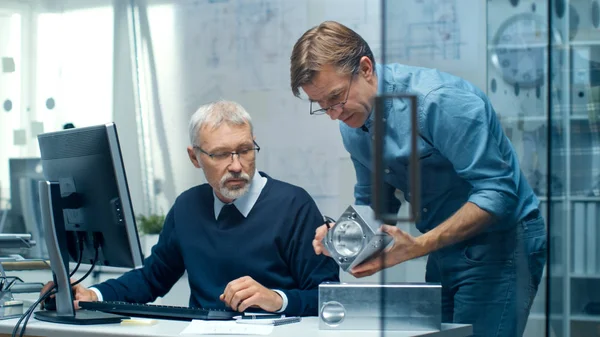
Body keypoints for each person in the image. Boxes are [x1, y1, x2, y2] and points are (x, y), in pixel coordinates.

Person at [290, 21, 546, 336]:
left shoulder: (441, 102)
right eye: (322, 106)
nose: (333, 114)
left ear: (366, 68)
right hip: (442, 244)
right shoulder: (351, 126)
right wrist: (345, 239)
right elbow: (375, 202)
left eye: (336, 98)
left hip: (501, 243)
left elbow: (498, 193)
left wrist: (418, 246)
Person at [41, 100, 339, 316]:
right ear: (195, 157)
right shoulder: (187, 207)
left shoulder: (294, 205)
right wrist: (93, 294)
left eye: (245, 150)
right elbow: (151, 278)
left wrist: (277, 299)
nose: (236, 166)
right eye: (221, 155)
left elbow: (329, 298)